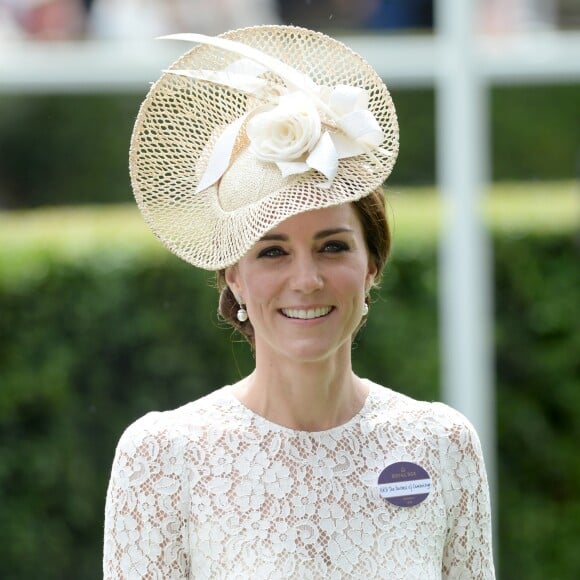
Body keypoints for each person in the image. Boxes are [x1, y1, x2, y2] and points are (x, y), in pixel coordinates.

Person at [103, 25, 495, 579]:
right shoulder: (163, 456)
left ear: (372, 263)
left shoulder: (443, 444)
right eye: (273, 252)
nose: (306, 279)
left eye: (332, 246)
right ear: (234, 275)